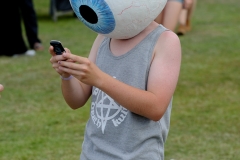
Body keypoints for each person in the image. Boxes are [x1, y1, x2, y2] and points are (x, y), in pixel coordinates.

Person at [49, 1, 181, 159]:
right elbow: (76, 101)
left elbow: (156, 108)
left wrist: (100, 79)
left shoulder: (165, 40)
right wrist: (67, 75)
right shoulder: (104, 36)